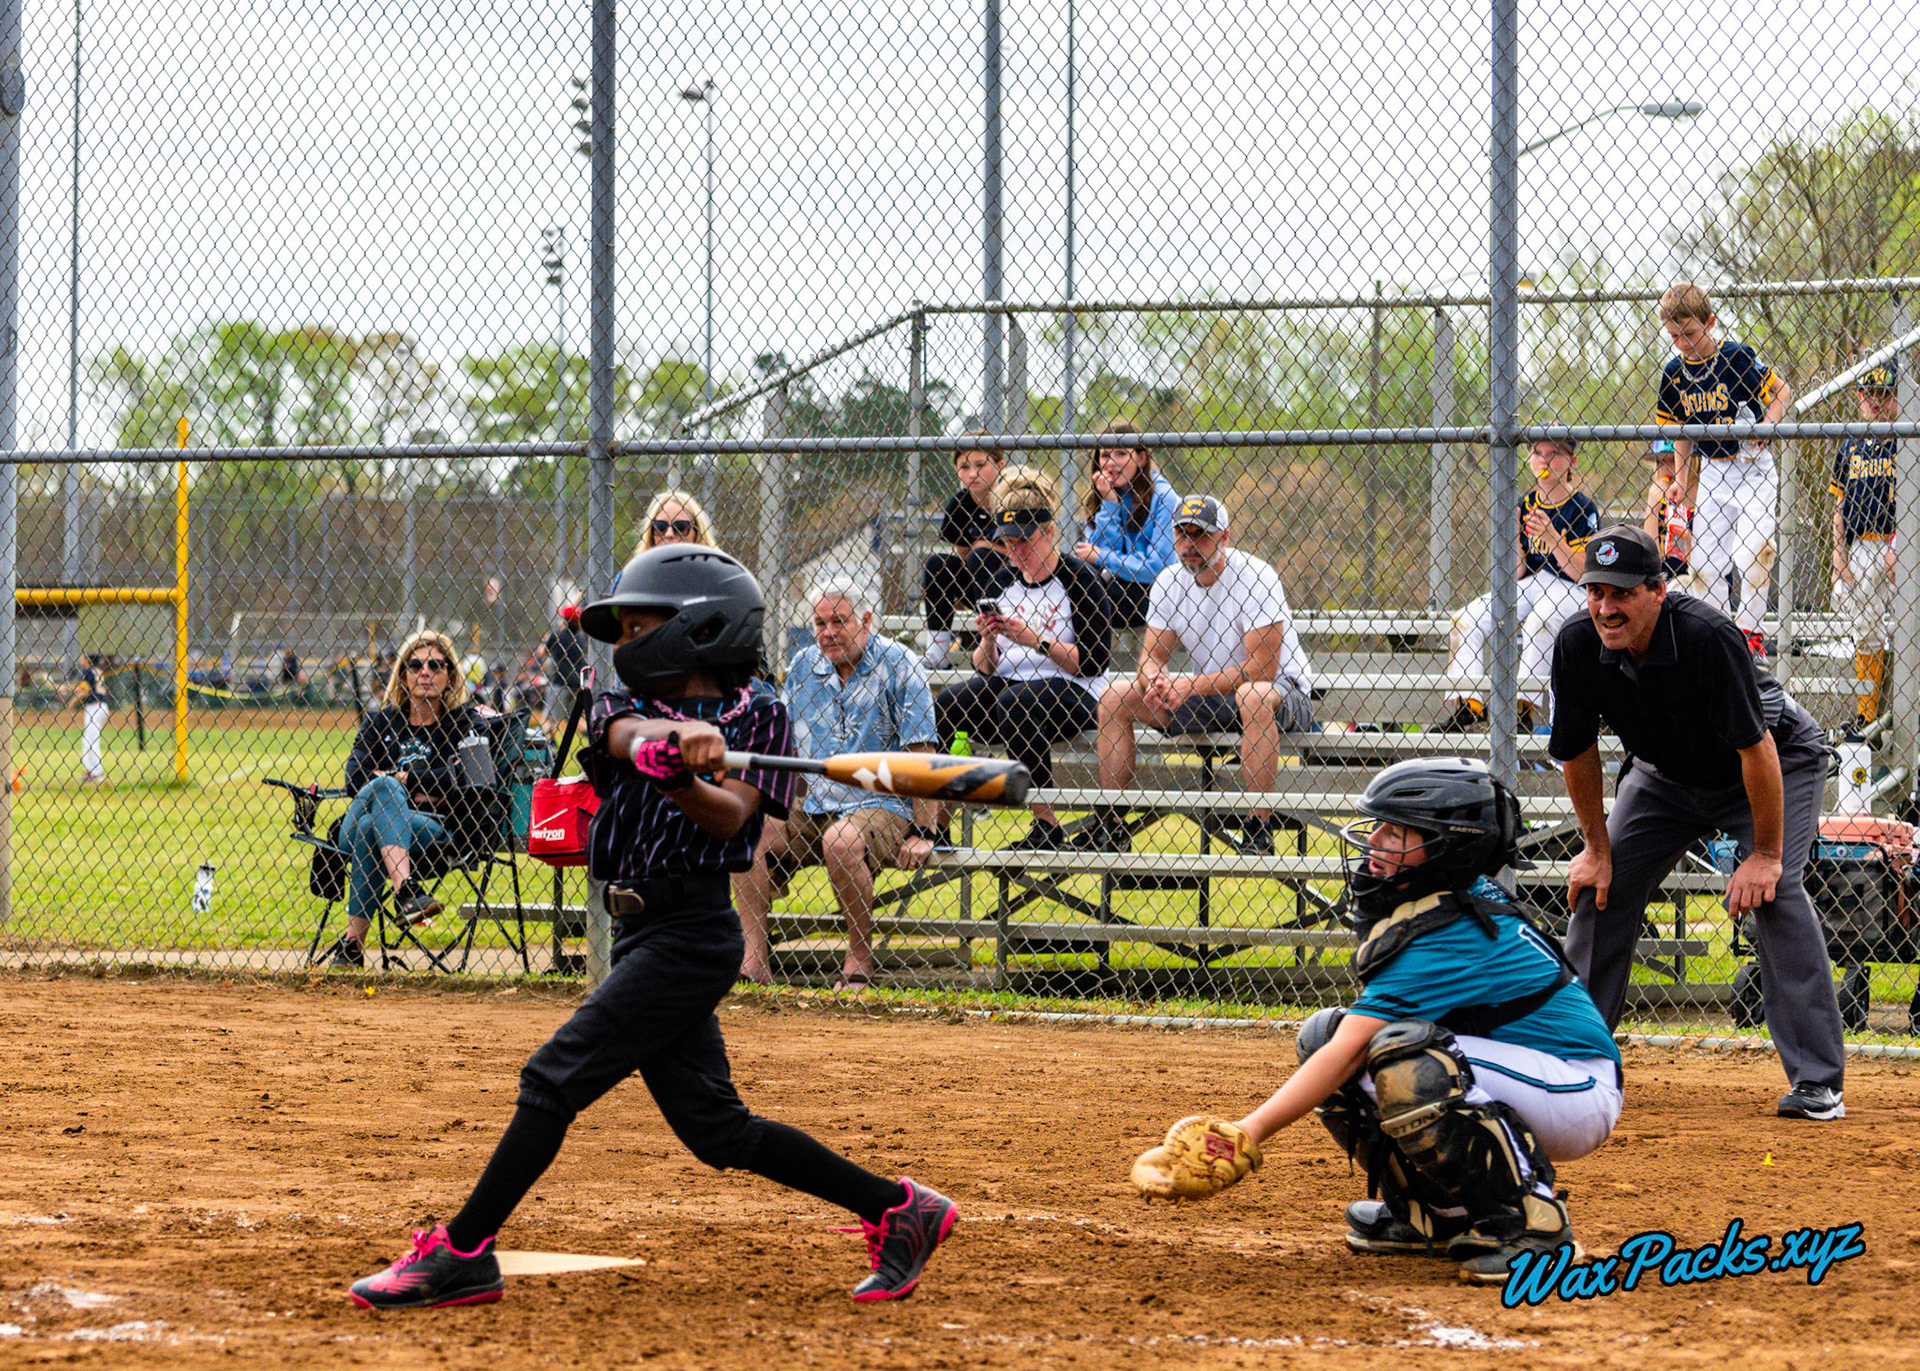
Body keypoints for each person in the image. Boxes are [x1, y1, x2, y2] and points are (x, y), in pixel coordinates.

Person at [348, 545, 957, 1311]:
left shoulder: (759, 715)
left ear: (700, 626)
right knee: (718, 1130)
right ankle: (899, 1209)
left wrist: (685, 779)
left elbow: (732, 818)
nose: (628, 642)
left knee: (551, 1077)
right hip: (638, 932)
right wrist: (662, 748)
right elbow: (620, 737)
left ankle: (464, 1249)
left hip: (691, 933)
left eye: (642, 626)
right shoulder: (624, 704)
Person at [1158, 759, 1620, 1286]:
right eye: (1378, 826)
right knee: (1326, 1036)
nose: (1374, 841)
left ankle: (1534, 1226)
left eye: (1396, 833)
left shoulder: (1455, 931)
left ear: (1450, 846)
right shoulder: (1441, 895)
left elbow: (1354, 1049)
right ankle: (1440, 1214)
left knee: (1398, 1055)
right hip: (1524, 1072)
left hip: (1575, 1088)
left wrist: (1248, 1131)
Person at [1548, 524, 1846, 1120]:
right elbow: (1576, 752)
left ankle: (1819, 1082)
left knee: (1775, 890)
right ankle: (1576, 1062)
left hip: (1772, 762)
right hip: (1665, 775)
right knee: (1602, 887)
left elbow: (1757, 748)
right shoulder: (1578, 643)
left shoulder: (1707, 636)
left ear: (1658, 591)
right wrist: (1596, 849)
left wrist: (1764, 856)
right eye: (1596, 592)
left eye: (1622, 593)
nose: (1606, 608)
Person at [735, 581, 940, 989]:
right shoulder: (804, 665)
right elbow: (786, 747)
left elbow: (922, 753)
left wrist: (925, 829)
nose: (828, 632)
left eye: (839, 622)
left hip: (882, 805)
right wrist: (773, 810)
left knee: (841, 841)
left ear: (866, 620)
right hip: (814, 802)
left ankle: (859, 956)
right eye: (820, 623)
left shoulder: (901, 663)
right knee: (748, 828)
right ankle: (754, 959)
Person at [1085, 495, 1313, 856]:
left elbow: (1261, 669)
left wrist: (1188, 685)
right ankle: (1110, 824)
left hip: (1279, 692)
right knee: (1115, 696)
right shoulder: (1168, 580)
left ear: (1224, 537)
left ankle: (1258, 827)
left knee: (1252, 695)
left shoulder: (1257, 576)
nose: (1189, 544)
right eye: (1181, 534)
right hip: (1209, 695)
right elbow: (1151, 655)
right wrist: (1155, 680)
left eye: (1200, 534)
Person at [933, 465, 1112, 850]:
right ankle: (938, 826)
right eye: (1009, 542)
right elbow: (986, 667)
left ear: (1049, 532)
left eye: (1024, 541)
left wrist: (1036, 640)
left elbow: (1094, 660)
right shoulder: (1003, 581)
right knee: (948, 703)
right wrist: (988, 640)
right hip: (1012, 688)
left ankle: (1047, 825)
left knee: (1017, 701)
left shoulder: (1079, 578)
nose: (1016, 551)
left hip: (1074, 689)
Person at [330, 629, 505, 969]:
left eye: (436, 665)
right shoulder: (379, 721)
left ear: (450, 675)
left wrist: (403, 778)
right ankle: (407, 893)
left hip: (435, 832)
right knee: (384, 791)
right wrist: (422, 786)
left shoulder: (466, 723)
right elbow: (354, 778)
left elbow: (473, 779)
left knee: (371, 825)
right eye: (416, 665)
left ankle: (352, 948)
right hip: (370, 823)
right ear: (403, 675)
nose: (425, 672)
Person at [1655, 281, 1793, 658]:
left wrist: (1769, 423)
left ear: (1710, 322)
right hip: (1713, 473)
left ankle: (1750, 633)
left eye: (1690, 333)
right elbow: (1679, 432)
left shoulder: (1736, 357)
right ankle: (1717, 637)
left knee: (1754, 552)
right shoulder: (1674, 373)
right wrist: (1681, 479)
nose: (1682, 343)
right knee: (1705, 566)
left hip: (1752, 467)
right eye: (1674, 336)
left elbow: (1781, 392)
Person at [1442, 435, 1601, 729]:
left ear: (1572, 461)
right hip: (1533, 581)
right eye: (1537, 452)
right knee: (1465, 620)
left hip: (1569, 586)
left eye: (1554, 453)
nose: (1544, 460)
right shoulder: (1525, 504)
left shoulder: (1583, 507)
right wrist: (1514, 537)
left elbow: (1583, 573)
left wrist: (1552, 538)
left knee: (1540, 621)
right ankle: (1469, 705)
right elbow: (1517, 573)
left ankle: (1522, 709)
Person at [1827, 359, 1898, 738]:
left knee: (1908, 631)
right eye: (1868, 393)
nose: (1875, 401)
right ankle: (1868, 717)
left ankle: (1909, 716)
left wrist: (1898, 543)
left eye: (1884, 394)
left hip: (1900, 545)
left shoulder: (1905, 439)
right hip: (1860, 547)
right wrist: (1839, 555)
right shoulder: (1852, 443)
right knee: (1865, 631)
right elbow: (1839, 505)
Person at [1070, 420, 1179, 629]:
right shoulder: (1104, 493)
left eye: (1120, 453)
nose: (1111, 463)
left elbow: (1158, 568)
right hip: (1115, 585)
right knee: (1079, 582)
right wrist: (1110, 503)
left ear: (1141, 458)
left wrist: (1102, 556)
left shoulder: (1164, 497)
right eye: (1105, 455)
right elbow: (1094, 559)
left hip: (1154, 592)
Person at [919, 434, 1005, 669]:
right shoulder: (959, 505)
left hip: (1017, 585)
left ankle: (1000, 643)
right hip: (979, 587)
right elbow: (964, 555)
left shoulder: (1012, 497)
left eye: (980, 465)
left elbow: (1027, 555)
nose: (972, 474)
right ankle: (938, 651)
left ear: (999, 465)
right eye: (964, 467)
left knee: (982, 556)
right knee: (938, 564)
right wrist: (981, 550)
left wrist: (987, 547)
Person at [1638, 437, 1695, 584]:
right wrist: (1652, 511)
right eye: (1660, 462)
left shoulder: (1707, 502)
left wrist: (1685, 537)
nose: (1665, 469)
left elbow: (1704, 565)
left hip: (1696, 581)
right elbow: (1650, 563)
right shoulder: (1661, 504)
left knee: (1683, 582)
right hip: (1664, 582)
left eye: (1671, 460)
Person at [56, 653, 111, 785]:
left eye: (82, 657)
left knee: (91, 741)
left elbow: (84, 690)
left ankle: (96, 773)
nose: (80, 659)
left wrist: (67, 692)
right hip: (102, 707)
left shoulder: (88, 672)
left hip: (94, 708)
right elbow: (85, 689)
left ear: (87, 660)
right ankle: (90, 772)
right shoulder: (98, 671)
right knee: (89, 740)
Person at [538, 602, 589, 735]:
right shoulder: (580, 638)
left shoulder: (557, 635)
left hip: (560, 682)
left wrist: (547, 639)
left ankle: (548, 743)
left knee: (548, 719)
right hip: (578, 683)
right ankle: (591, 737)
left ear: (565, 620)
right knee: (576, 718)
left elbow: (542, 652)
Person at [630, 488, 718, 556]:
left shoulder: (714, 570)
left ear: (697, 531)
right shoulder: (640, 570)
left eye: (680, 527)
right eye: (660, 527)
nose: (669, 534)